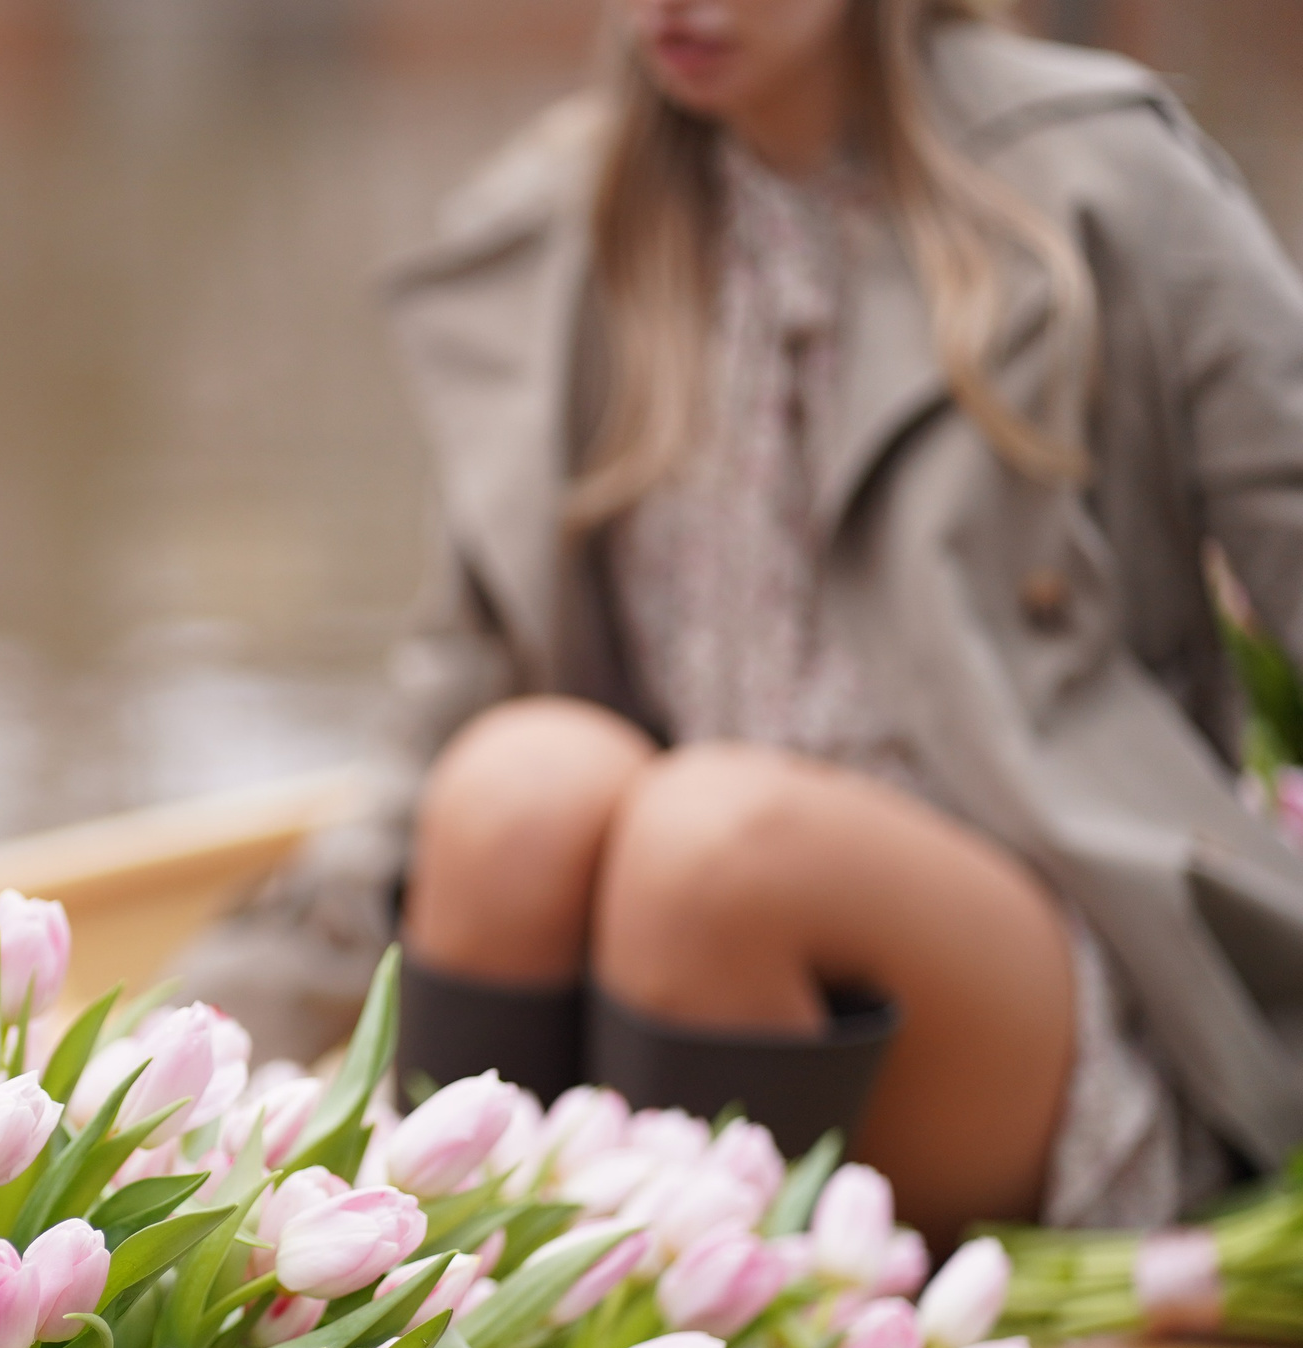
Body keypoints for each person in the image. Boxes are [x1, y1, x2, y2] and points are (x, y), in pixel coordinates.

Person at [180, 0, 1303, 1245]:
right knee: (511, 786)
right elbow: (443, 704)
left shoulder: (1098, 177)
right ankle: (459, 1298)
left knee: (714, 848)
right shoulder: (570, 214)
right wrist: (190, 1058)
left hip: (1040, 982)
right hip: (667, 971)